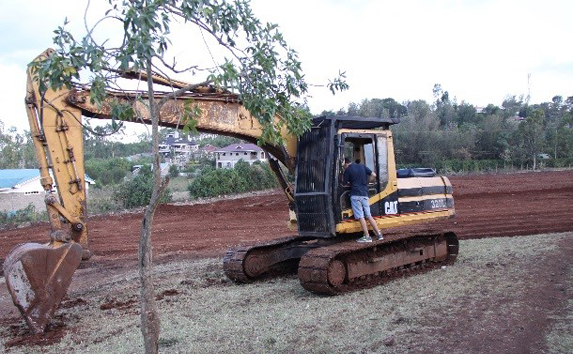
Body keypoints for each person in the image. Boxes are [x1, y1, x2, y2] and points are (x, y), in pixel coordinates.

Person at [343, 157, 384, 243]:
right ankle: (379, 235)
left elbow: (345, 183)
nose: (344, 167)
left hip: (355, 195)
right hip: (365, 194)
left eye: (344, 165)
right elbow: (374, 175)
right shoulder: (362, 166)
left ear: (346, 163)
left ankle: (367, 236)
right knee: (369, 215)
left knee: (361, 217)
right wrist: (368, 182)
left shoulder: (348, 170)